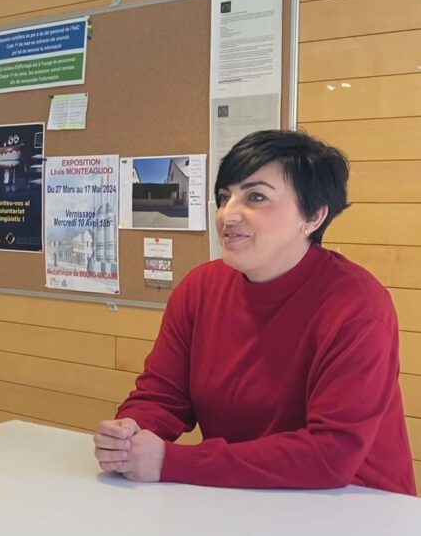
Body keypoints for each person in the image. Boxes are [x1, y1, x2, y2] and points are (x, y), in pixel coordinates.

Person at [94, 130, 416, 495]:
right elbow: (163, 396)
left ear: (313, 216)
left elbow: (330, 455)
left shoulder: (357, 305)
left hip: (357, 503)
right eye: (223, 197)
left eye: (256, 197)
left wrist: (172, 461)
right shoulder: (200, 288)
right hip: (243, 493)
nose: (228, 215)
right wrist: (130, 433)